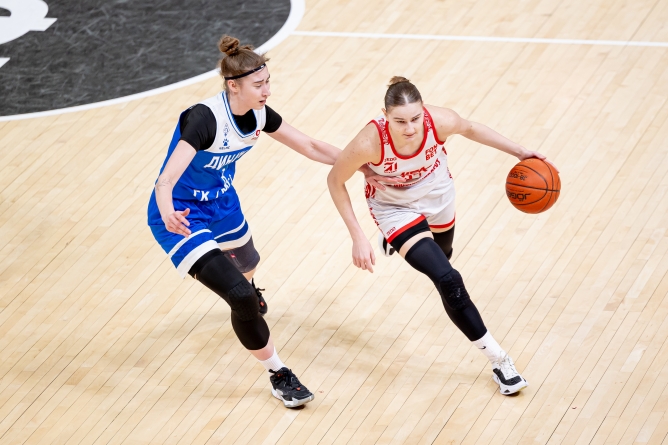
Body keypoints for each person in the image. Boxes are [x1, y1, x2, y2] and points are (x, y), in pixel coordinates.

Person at [147, 36, 387, 408]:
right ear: (234, 86)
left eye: (268, 82)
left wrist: (362, 166)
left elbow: (310, 145)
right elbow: (164, 181)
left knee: (248, 264)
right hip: (180, 213)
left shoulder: (259, 114)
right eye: (259, 85)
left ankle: (247, 288)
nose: (267, 91)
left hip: (222, 203)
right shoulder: (205, 119)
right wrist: (166, 210)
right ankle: (279, 374)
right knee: (240, 297)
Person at [328, 76, 554, 395]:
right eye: (400, 121)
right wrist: (357, 236)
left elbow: (471, 128)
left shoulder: (440, 121)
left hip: (438, 194)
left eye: (415, 118)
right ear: (384, 114)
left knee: (444, 254)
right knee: (448, 279)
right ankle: (500, 361)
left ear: (424, 111)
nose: (410, 128)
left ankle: (400, 241)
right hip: (394, 209)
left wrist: (520, 152)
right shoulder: (369, 142)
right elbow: (335, 180)